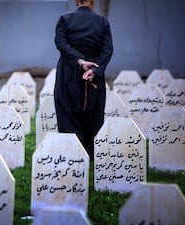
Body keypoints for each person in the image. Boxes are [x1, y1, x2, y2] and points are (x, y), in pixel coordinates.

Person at [54, 0, 113, 159]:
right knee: (93, 112)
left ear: (76, 1)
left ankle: (72, 154)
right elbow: (107, 50)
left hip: (69, 72)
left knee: (67, 111)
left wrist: (80, 60)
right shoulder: (102, 22)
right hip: (94, 74)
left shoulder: (64, 19)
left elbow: (61, 43)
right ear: (92, 2)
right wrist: (95, 69)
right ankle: (91, 155)